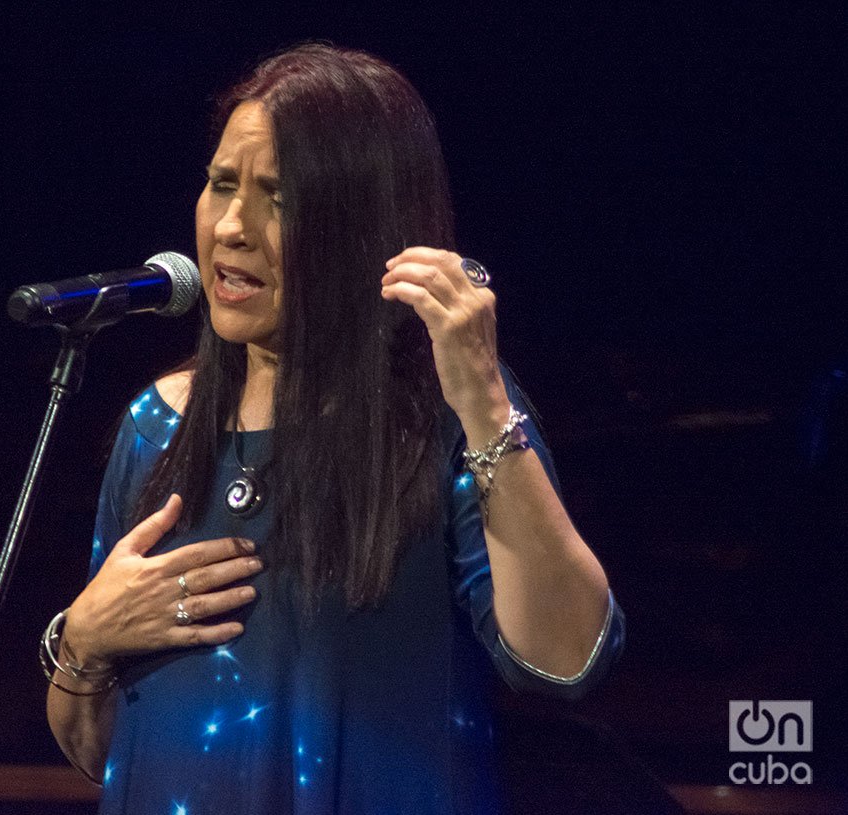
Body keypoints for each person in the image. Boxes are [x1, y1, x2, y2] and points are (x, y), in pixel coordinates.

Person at [44, 43, 624, 814]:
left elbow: (565, 660)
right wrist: (82, 643)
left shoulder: (446, 416)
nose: (232, 227)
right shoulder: (158, 426)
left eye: (277, 197)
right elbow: (99, 751)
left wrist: (483, 398)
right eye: (222, 185)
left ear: (365, 226)